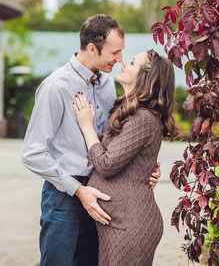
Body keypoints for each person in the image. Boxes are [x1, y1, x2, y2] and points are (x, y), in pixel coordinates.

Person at [21, 14, 161, 266]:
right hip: (66, 194)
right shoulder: (55, 87)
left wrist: (144, 167)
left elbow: (116, 140)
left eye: (122, 53)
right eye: (115, 53)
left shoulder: (108, 84)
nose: (119, 60)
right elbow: (32, 154)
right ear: (92, 48)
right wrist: (78, 190)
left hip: (106, 194)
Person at [73, 49, 181, 266]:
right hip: (119, 222)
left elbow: (106, 164)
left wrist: (87, 127)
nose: (123, 62)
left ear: (145, 78)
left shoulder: (142, 117)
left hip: (130, 225)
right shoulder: (130, 111)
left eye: (132, 62)